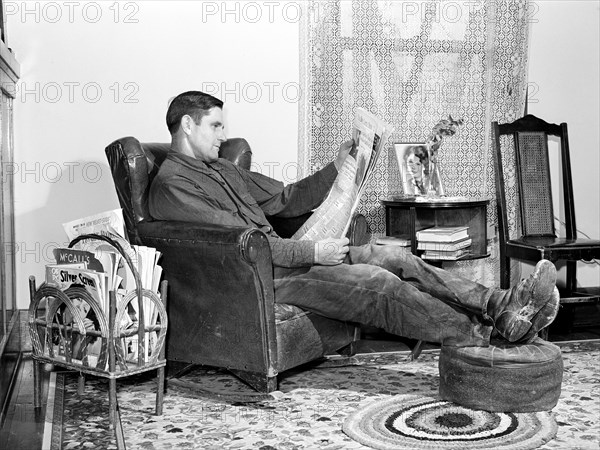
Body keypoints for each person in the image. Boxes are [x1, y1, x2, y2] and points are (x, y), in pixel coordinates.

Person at [149, 91, 560, 348]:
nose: (223, 136)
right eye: (216, 126)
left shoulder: (224, 168)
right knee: (377, 282)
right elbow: (242, 242)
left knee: (394, 258)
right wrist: (314, 250)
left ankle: (497, 302)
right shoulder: (172, 186)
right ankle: (485, 336)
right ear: (187, 124)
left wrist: (339, 166)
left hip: (288, 260)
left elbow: (284, 199)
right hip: (260, 280)